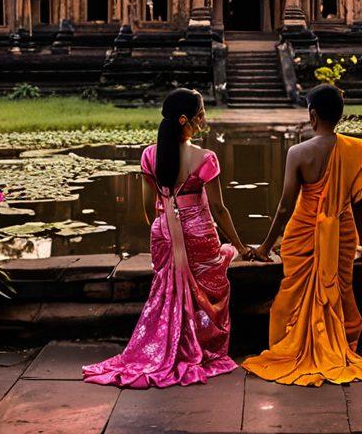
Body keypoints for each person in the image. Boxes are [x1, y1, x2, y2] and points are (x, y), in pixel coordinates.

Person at [83, 88, 253, 388]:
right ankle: (200, 345)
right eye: (200, 113)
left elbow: (149, 208)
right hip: (198, 233)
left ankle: (161, 346)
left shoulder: (150, 155)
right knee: (217, 275)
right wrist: (241, 247)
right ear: (185, 120)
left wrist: (166, 230)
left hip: (163, 233)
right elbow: (219, 209)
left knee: (167, 290)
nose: (204, 118)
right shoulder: (205, 158)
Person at [242, 83, 362, 387]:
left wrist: (266, 246)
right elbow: (361, 205)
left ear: (312, 115)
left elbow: (285, 206)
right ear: (339, 116)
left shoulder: (298, 152)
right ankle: (342, 340)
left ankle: (292, 342)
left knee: (292, 290)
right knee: (340, 286)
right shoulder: (353, 150)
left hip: (303, 230)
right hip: (343, 232)